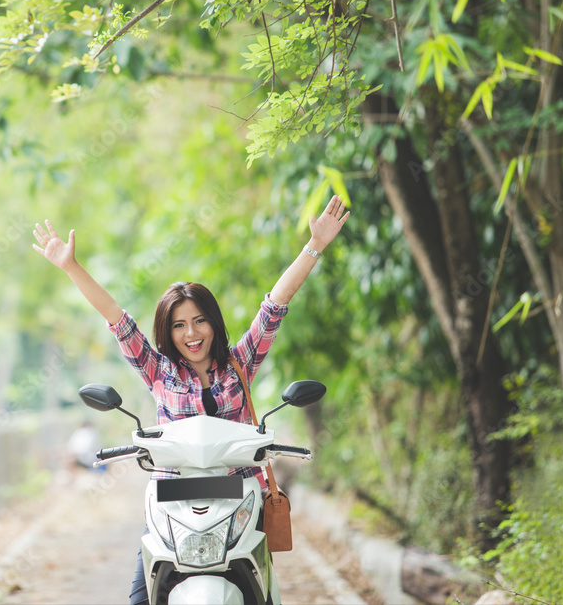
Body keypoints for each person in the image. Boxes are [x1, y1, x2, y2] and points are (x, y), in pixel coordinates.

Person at [31, 195, 351, 605]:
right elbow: (115, 318)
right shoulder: (158, 369)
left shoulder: (240, 363)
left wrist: (315, 246)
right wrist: (70, 266)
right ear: (169, 331)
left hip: (238, 502)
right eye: (179, 324)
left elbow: (275, 305)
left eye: (199, 320)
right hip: (173, 505)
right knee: (140, 598)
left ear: (213, 323)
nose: (191, 333)